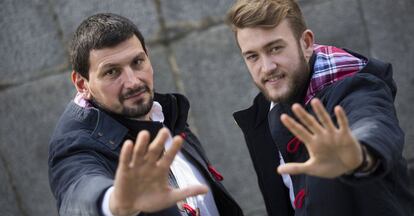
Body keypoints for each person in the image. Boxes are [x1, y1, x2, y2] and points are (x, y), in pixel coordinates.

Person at [226, 0, 414, 215]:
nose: (267, 67)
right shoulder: (262, 114)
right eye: (252, 56)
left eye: (275, 48)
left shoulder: (357, 86)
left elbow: (373, 122)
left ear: (306, 43)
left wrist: (359, 154)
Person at [48, 13, 243, 216]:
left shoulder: (167, 112)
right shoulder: (74, 144)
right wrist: (116, 203)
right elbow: (78, 191)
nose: (132, 82)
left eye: (137, 62)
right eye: (112, 72)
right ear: (82, 84)